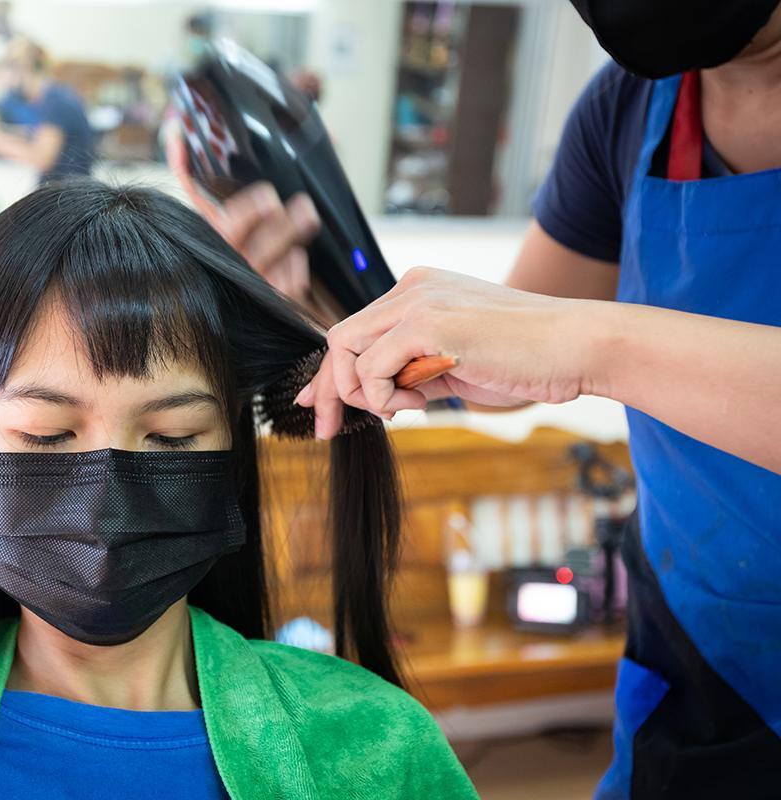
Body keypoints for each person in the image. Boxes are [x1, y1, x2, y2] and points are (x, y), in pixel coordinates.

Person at [170, 1, 781, 796]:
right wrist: (335, 311)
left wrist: (595, 345)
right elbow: (501, 369)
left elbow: (563, 343)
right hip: (697, 663)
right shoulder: (629, 114)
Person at [0, 180, 478, 799]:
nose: (105, 500)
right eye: (46, 436)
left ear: (230, 459)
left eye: (171, 438)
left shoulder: (375, 751)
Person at [0, 38, 94, 185]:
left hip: (67, 196)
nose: (4, 82)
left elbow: (41, 158)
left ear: (22, 69)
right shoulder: (47, 100)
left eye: (5, 72)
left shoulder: (57, 102)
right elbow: (33, 141)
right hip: (59, 191)